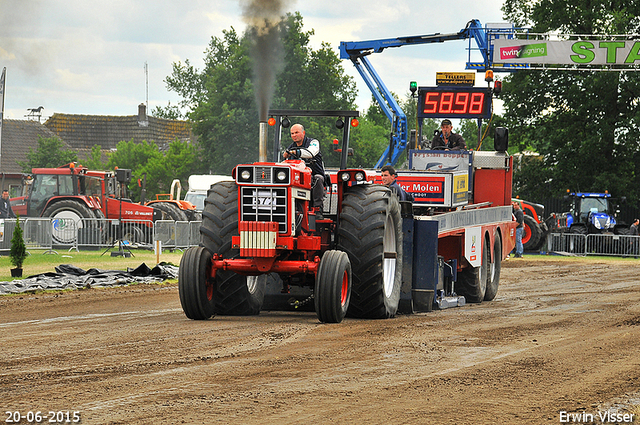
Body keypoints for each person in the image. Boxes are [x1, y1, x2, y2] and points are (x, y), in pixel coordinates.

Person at [283, 123, 326, 218]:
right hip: (298, 178)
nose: (294, 135)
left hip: (313, 176)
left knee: (318, 178)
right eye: (292, 133)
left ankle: (317, 209)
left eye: (296, 132)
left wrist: (295, 152)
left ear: (303, 133)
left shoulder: (313, 143)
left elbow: (311, 152)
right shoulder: (291, 147)